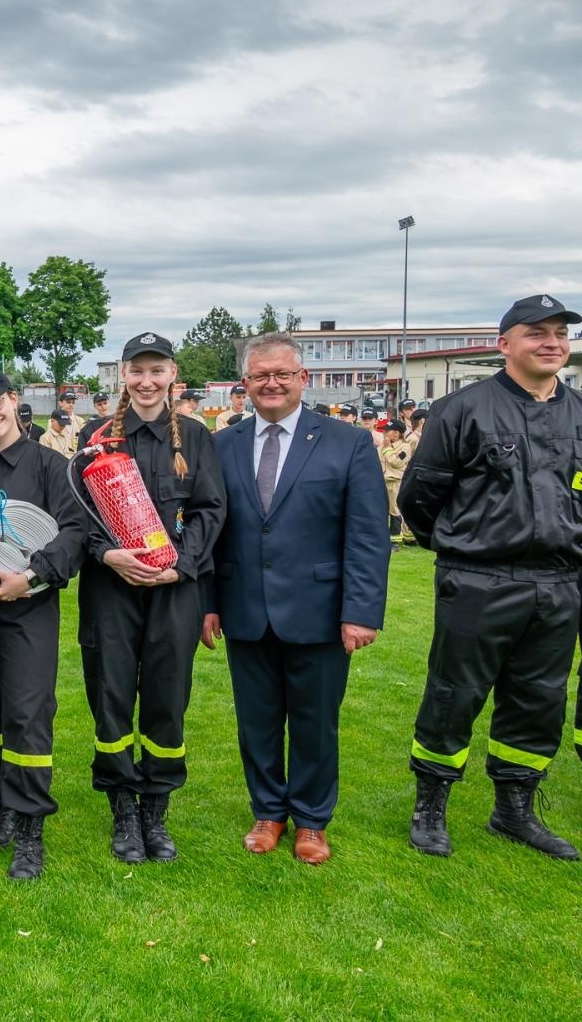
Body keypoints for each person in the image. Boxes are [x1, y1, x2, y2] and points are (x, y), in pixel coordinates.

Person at [400, 295, 582, 862]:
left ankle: (514, 809)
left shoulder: (579, 412)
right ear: (505, 344)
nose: (552, 342)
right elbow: (418, 497)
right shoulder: (463, 409)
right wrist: (464, 548)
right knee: (454, 694)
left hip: (560, 583)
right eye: (537, 332)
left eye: (560, 333)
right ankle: (431, 806)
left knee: (539, 698)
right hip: (479, 578)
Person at [202, 333, 389, 865]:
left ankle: (311, 820)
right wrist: (208, 602)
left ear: (303, 378)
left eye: (282, 373)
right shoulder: (222, 444)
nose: (272, 383)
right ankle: (268, 812)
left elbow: (368, 535)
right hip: (244, 607)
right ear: (245, 383)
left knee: (314, 722)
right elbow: (210, 531)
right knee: (256, 721)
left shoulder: (348, 442)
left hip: (320, 611)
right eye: (260, 375)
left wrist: (360, 611)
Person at [77, 333, 226, 864]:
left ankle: (155, 809)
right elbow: (77, 513)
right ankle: (122, 808)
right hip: (111, 589)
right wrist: (107, 554)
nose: (146, 381)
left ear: (172, 375)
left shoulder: (196, 436)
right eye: (137, 371)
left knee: (166, 697)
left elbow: (210, 509)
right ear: (124, 375)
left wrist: (180, 566)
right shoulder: (96, 436)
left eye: (156, 371)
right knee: (111, 694)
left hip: (174, 591)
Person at [0, 368, 86, 879]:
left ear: (13, 399)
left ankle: (30, 828)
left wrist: (29, 576)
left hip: (29, 606)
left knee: (27, 714)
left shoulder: (51, 465)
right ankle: (3, 802)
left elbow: (74, 532)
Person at [379, 424, 409, 549]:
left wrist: (387, 448)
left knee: (394, 511)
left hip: (396, 482)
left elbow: (396, 462)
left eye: (387, 431)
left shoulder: (405, 447)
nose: (384, 433)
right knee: (381, 511)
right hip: (382, 481)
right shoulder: (383, 445)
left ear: (396, 433)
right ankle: (382, 538)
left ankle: (395, 541)